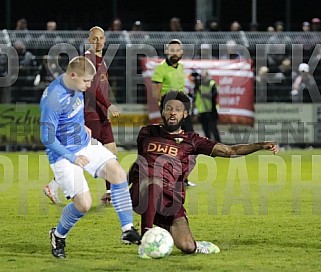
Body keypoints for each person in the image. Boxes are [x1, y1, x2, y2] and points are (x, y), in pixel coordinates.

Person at [128, 91, 279, 258]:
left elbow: (230, 151)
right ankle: (145, 239)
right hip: (142, 192)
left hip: (170, 200)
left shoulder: (192, 141)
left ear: (184, 114)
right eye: (168, 108)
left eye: (178, 109)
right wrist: (115, 189)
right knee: (153, 182)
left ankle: (191, 243)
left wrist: (260, 145)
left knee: (187, 247)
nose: (172, 112)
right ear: (162, 111)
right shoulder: (147, 133)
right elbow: (139, 162)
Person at [40, 56, 140, 258]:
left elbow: (73, 113)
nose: (88, 85)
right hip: (63, 155)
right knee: (83, 204)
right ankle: (58, 235)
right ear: (72, 75)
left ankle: (127, 229)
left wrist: (81, 125)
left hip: (85, 143)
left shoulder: (77, 86)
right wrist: (72, 157)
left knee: (117, 173)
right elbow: (47, 138)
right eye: (86, 81)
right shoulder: (53, 98)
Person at [43, 26, 119, 205]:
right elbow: (92, 89)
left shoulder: (102, 60)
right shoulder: (87, 60)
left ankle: (109, 192)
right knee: (86, 155)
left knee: (111, 150)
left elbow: (102, 88)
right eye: (95, 38)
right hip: (90, 114)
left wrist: (106, 107)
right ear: (89, 39)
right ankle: (53, 185)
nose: (98, 41)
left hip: (101, 115)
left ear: (105, 40)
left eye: (101, 38)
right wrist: (108, 104)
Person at [151, 38, 196, 186]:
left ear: (182, 52)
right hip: (170, 112)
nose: (175, 53)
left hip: (182, 111)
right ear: (166, 52)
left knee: (189, 143)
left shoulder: (181, 67)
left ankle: (183, 178)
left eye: (177, 50)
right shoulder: (160, 68)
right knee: (170, 146)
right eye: (172, 50)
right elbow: (156, 94)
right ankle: (165, 177)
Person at [194, 70, 221, 141]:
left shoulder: (212, 83)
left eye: (204, 75)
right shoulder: (198, 85)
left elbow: (214, 95)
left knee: (213, 129)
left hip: (211, 110)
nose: (202, 77)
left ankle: (218, 144)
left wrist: (204, 95)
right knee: (205, 129)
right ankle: (209, 146)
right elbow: (195, 97)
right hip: (202, 111)